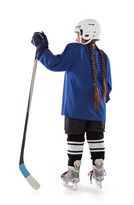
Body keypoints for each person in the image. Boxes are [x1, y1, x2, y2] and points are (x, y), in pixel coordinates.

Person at [31, 19, 112, 190]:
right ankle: (99, 170)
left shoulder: (74, 49)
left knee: (75, 139)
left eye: (77, 34)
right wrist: (100, 104)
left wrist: (42, 49)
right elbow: (108, 87)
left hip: (75, 109)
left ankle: (73, 174)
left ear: (85, 35)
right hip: (98, 112)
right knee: (96, 138)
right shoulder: (104, 56)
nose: (76, 37)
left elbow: (55, 63)